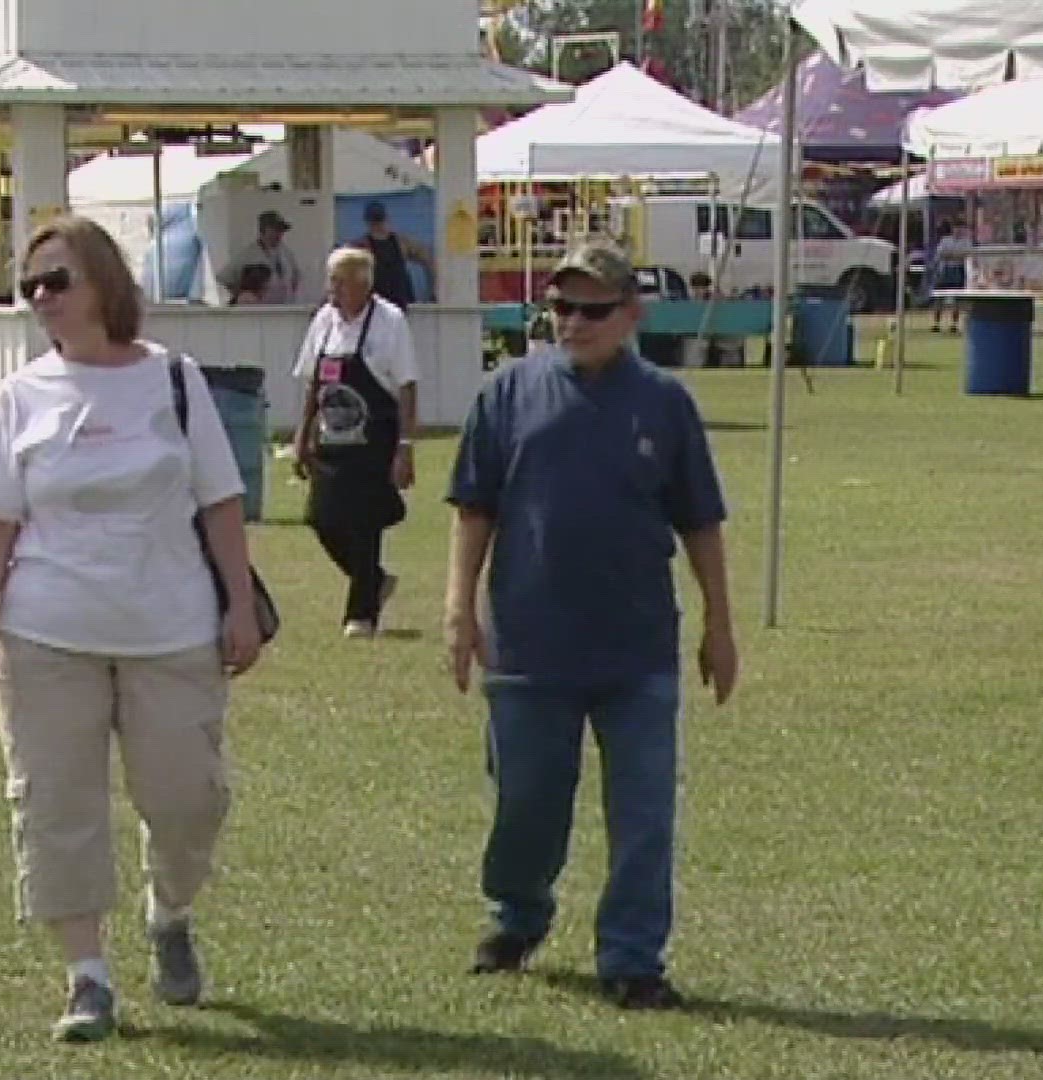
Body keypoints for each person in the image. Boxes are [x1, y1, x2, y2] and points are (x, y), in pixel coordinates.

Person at [0, 214, 264, 1041]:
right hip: (47, 629)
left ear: (104, 284)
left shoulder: (175, 380)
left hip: (171, 626)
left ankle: (171, 911)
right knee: (55, 804)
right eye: (31, 287)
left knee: (188, 799)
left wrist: (238, 603)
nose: (42, 299)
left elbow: (220, 501)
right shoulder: (21, 395)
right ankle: (86, 978)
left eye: (58, 280)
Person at [444, 240, 738, 1010]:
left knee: (643, 811)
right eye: (561, 307)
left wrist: (720, 624)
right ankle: (518, 914)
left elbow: (700, 521)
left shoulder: (665, 404)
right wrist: (457, 610)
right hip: (528, 642)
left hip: (637, 646)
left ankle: (633, 957)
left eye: (592, 310)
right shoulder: (506, 394)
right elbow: (474, 508)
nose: (572, 322)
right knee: (527, 803)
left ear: (632, 315)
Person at [291, 246, 419, 637]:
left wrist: (405, 446)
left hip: (374, 441)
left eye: (339, 281)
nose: (332, 289)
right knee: (320, 517)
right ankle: (375, 581)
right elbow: (313, 381)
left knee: (365, 524)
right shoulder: (324, 321)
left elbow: (407, 387)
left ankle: (361, 614)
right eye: (330, 280)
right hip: (330, 440)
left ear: (363, 284)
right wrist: (302, 435)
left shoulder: (390, 321)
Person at [352, 200, 434, 309]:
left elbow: (428, 259)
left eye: (379, 220)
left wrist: (433, 291)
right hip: (377, 309)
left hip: (402, 305)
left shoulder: (402, 243)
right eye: (375, 221)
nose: (378, 225)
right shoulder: (361, 246)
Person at [219, 211, 300, 304]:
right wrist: (240, 296)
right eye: (274, 230)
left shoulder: (287, 254)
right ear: (262, 230)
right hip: (259, 312)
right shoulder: (247, 256)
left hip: (285, 309)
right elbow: (223, 281)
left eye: (281, 230)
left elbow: (295, 277)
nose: (278, 234)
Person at [927, 223, 966, 333]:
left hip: (958, 270)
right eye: (956, 228)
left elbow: (965, 255)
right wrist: (954, 255)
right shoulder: (945, 240)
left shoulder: (966, 242)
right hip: (945, 270)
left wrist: (951, 255)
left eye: (960, 229)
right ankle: (936, 324)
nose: (958, 231)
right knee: (939, 297)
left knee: (957, 299)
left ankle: (954, 324)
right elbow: (940, 254)